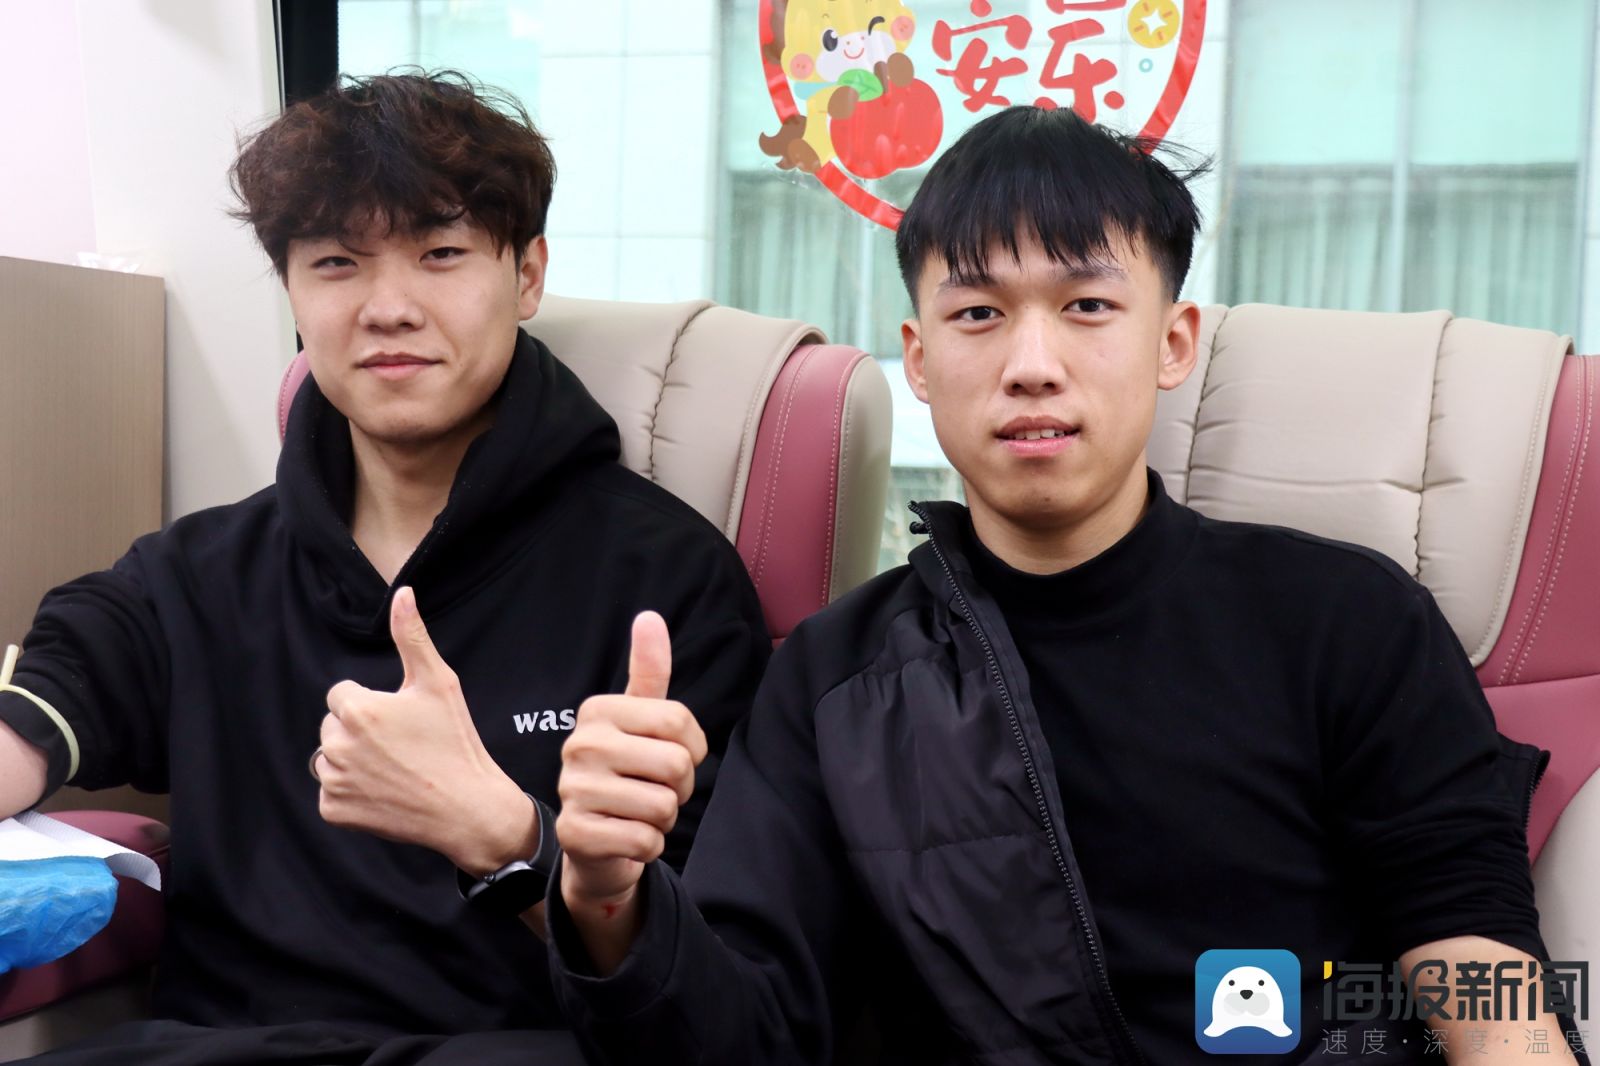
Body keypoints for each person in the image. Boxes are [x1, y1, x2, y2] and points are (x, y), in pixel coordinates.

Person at [545, 106, 1578, 1065]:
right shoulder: (837, 679)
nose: (1031, 364)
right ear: (918, 358)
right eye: (978, 313)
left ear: (1172, 342)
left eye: (1087, 305)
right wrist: (604, 893)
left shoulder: (1346, 620)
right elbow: (749, 1035)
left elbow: (1481, 967)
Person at [0, 71, 769, 1065]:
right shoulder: (196, 574)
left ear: (527, 276)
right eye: (336, 262)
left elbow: (715, 1016)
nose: (389, 307)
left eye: (441, 254)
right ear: (292, 293)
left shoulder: (669, 586)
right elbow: (63, 681)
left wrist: (507, 836)